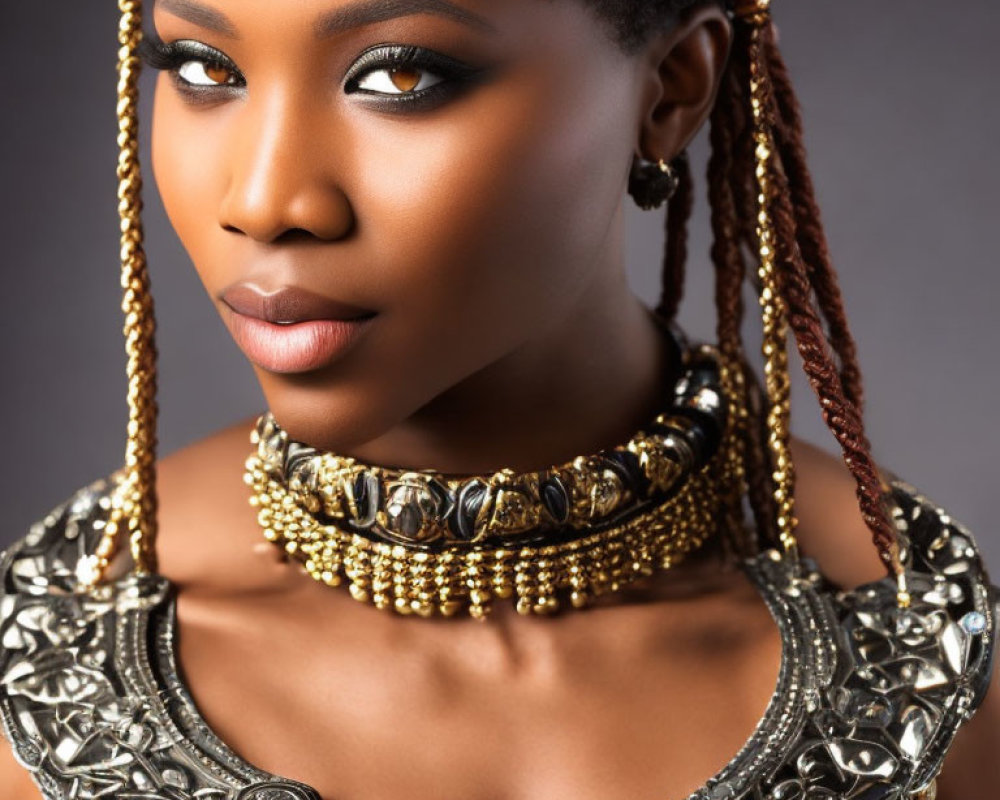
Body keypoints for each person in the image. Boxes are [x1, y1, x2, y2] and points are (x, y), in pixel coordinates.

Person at [0, 0, 996, 798]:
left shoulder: (918, 649)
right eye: (203, 69)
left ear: (670, 91)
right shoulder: (56, 655)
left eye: (397, 75)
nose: (263, 199)